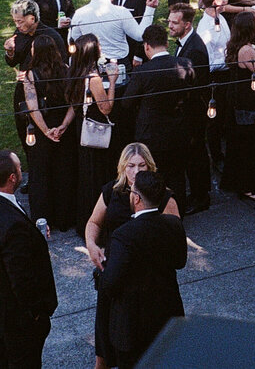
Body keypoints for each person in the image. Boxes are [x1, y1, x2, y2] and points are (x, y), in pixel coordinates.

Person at [84, 144, 180, 369]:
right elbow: (94, 222)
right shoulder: (112, 191)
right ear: (122, 167)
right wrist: (91, 245)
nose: (136, 171)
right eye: (131, 166)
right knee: (106, 333)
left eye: (141, 166)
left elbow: (174, 237)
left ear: (150, 167)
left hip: (149, 278)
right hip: (114, 270)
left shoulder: (162, 196)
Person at [0, 150, 58, 369]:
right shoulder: (12, 227)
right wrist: (36, 314)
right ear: (12, 178)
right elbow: (21, 279)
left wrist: (32, 236)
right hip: (16, 318)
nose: (21, 170)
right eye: (19, 167)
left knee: (2, 355)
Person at [99, 170, 187, 369]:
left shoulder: (123, 235)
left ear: (137, 198)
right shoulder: (174, 224)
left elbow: (110, 283)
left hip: (132, 327)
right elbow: (180, 262)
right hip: (168, 316)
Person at [120, 24, 195, 203]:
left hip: (151, 136)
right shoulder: (186, 64)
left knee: (153, 177)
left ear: (146, 46)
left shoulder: (142, 72)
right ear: (166, 43)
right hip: (179, 132)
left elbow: (126, 103)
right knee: (177, 175)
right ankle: (177, 209)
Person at [20, 33, 78, 232]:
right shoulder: (66, 70)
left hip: (41, 129)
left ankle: (43, 217)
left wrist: (45, 130)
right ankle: (65, 217)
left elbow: (33, 107)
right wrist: (64, 126)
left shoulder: (30, 75)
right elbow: (74, 103)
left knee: (41, 173)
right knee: (64, 170)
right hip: (63, 128)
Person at [67, 33, 120, 234]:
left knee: (86, 176)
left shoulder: (76, 73)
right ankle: (99, 223)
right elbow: (106, 108)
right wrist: (112, 82)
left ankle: (85, 221)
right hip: (95, 133)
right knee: (97, 176)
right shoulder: (93, 79)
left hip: (81, 129)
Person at [5, 0, 68, 159]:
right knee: (23, 128)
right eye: (15, 21)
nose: (17, 25)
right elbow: (13, 60)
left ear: (32, 18)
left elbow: (61, 67)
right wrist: (10, 52)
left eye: (20, 21)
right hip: (24, 89)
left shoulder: (51, 36)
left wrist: (33, 75)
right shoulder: (20, 34)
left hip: (46, 92)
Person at [219, 11, 255, 201]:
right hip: (249, 103)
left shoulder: (238, 46)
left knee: (241, 145)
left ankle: (241, 183)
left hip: (237, 101)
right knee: (252, 146)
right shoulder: (247, 51)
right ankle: (250, 186)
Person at [168, 2, 212, 215]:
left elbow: (194, 86)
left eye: (174, 23)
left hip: (194, 111)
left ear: (186, 25)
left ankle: (200, 196)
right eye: (169, 21)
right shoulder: (186, 43)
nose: (170, 26)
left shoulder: (195, 50)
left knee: (196, 155)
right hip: (189, 109)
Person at [69, 0, 158, 75]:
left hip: (91, 66)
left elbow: (75, 39)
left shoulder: (79, 14)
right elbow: (139, 35)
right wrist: (150, 9)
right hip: (118, 65)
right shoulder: (121, 12)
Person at [196, 0, 231, 170]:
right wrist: (228, 61)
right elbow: (208, 62)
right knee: (214, 120)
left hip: (227, 74)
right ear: (216, 2)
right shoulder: (205, 29)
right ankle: (216, 156)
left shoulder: (221, 18)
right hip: (215, 78)